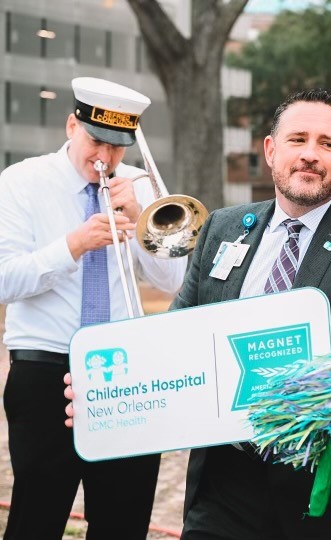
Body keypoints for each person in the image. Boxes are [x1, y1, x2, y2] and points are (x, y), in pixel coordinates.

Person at [169, 89, 331, 539]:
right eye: (297, 139)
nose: (310, 155)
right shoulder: (223, 228)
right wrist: (106, 392)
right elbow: (176, 334)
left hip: (322, 487)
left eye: (326, 144)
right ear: (271, 150)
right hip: (224, 483)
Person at [0, 77, 187, 539]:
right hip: (45, 367)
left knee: (124, 519)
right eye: (95, 141)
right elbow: (5, 279)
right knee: (36, 519)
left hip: (126, 372)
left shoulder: (139, 184)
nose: (105, 157)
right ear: (71, 126)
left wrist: (142, 220)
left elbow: (175, 282)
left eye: (117, 147)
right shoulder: (22, 182)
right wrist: (72, 246)